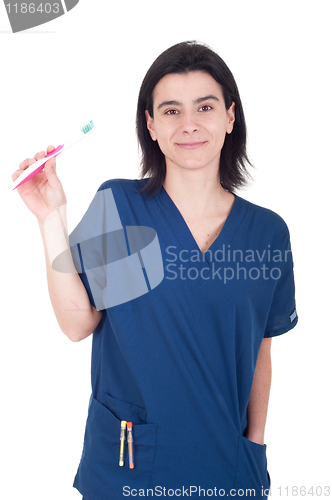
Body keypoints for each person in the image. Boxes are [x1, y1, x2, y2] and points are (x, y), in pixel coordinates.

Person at [12, 41, 298, 500]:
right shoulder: (122, 208)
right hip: (128, 468)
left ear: (229, 117)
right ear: (150, 124)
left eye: (204, 107)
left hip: (226, 468)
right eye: (170, 110)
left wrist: (255, 444)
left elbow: (261, 345)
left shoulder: (266, 234)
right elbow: (76, 323)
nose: (189, 124)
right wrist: (50, 219)